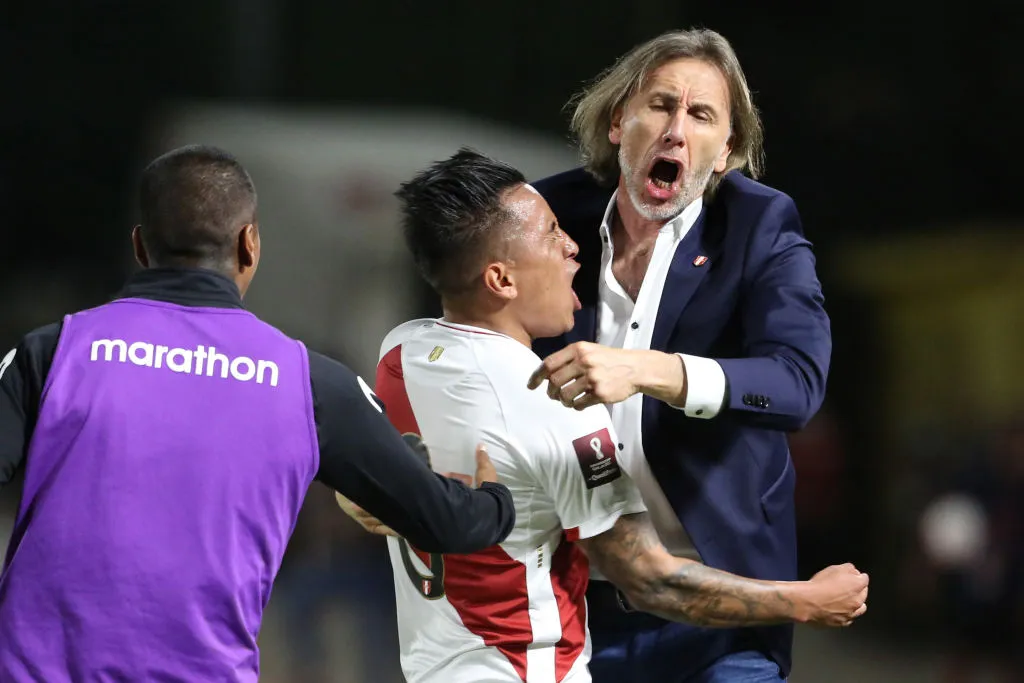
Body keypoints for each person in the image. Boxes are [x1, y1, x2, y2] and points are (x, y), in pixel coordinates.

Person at [337, 149, 867, 683]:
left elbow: (358, 470)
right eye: (550, 234)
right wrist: (806, 601)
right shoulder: (554, 401)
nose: (572, 247)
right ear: (500, 279)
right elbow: (651, 582)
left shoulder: (400, 354)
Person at [0, 145, 516, 682]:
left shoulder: (54, 351)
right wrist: (495, 498)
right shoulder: (310, 382)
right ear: (249, 245)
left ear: (139, 245)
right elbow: (447, 522)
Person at [527, 29, 832, 682]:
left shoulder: (760, 226)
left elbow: (797, 381)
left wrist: (650, 371)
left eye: (701, 115)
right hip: (568, 601)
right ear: (618, 122)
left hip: (723, 607)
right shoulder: (541, 217)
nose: (676, 129)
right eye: (661, 104)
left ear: (726, 151)